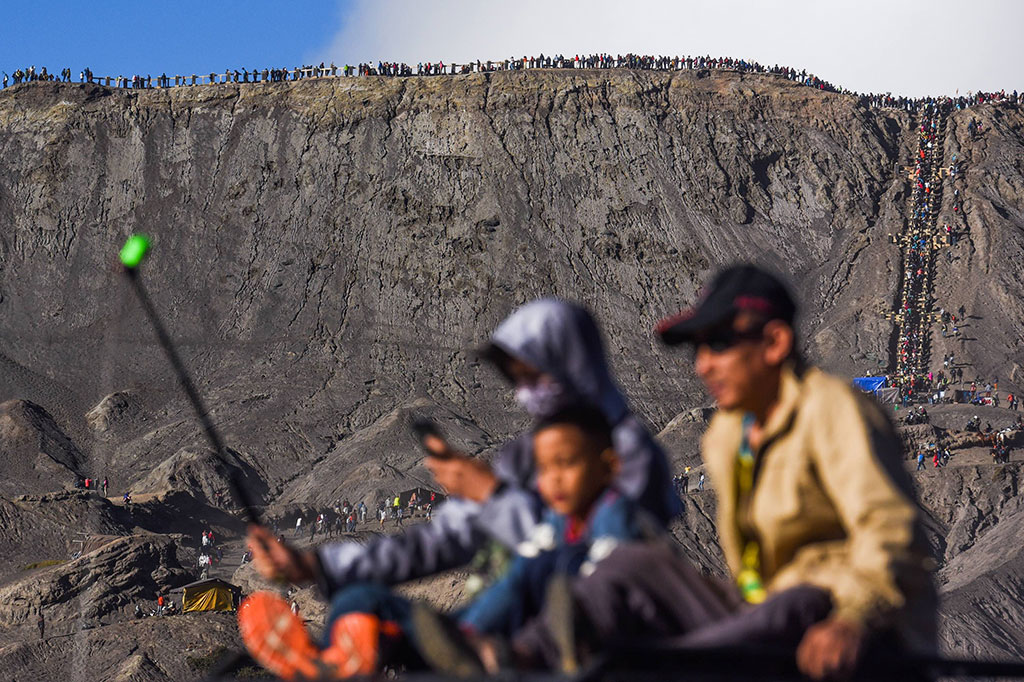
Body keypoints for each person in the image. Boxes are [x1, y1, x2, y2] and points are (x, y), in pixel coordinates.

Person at [513, 265, 936, 679]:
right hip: (770, 620)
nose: (702, 366)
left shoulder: (833, 410)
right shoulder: (726, 436)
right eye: (698, 349)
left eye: (718, 344)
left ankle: (655, 667)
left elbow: (890, 532)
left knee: (798, 601)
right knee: (633, 564)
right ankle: (516, 654)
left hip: (855, 630)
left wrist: (853, 620)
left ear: (773, 342)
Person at [238, 298, 680, 677]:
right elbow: (443, 538)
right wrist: (314, 564)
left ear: (569, 363)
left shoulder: (629, 454)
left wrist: (494, 497)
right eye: (516, 380)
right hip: (492, 617)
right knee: (359, 600)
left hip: (564, 634)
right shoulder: (527, 454)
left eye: (532, 377)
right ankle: (331, 665)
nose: (523, 395)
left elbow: (602, 562)